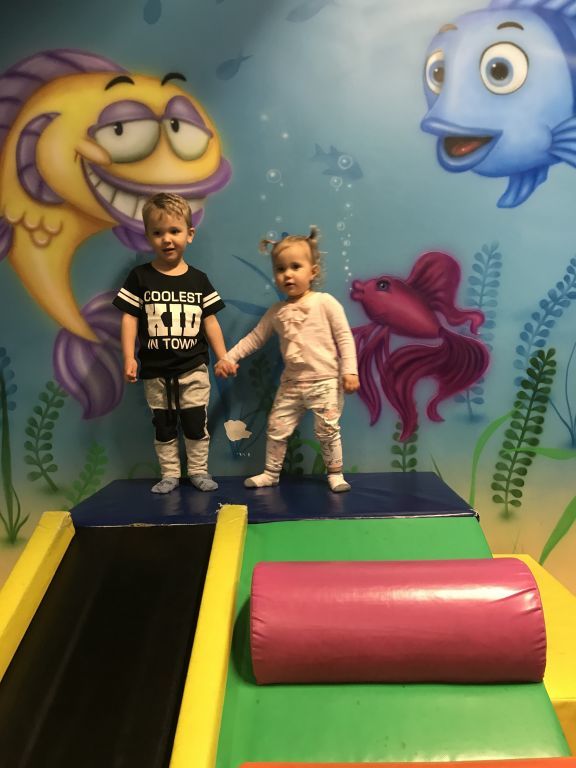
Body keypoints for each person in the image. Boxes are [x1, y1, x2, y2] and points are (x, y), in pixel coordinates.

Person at [215, 227, 359, 492]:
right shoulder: (276, 311)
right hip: (291, 384)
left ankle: (335, 474)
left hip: (325, 381)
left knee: (327, 430)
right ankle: (271, 473)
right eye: (281, 269)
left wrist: (350, 371)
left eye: (295, 267)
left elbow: (345, 337)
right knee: (276, 427)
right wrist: (228, 358)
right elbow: (254, 338)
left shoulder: (325, 302)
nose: (288, 274)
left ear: (313, 272)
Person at [113, 192, 236, 494]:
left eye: (174, 231)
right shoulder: (140, 277)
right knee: (164, 425)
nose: (167, 239)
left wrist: (223, 356)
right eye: (158, 233)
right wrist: (129, 357)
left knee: (195, 422)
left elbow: (210, 322)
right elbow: (129, 318)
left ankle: (198, 471)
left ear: (189, 234)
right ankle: (169, 473)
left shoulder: (198, 280)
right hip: (156, 371)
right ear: (148, 237)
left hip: (193, 368)